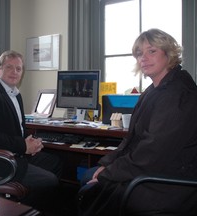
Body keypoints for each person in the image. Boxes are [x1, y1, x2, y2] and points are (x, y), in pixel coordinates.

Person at [78, 28, 197, 216]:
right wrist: (106, 163)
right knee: (90, 176)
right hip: (152, 169)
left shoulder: (178, 94)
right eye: (139, 53)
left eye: (152, 51)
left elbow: (152, 153)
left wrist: (108, 174)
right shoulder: (153, 90)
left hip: (167, 182)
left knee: (91, 188)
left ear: (169, 53)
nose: (143, 58)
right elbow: (131, 140)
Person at [0, 50, 62, 211]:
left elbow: (17, 129)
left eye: (18, 69)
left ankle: (29, 204)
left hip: (16, 152)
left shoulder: (15, 95)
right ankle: (27, 211)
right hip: (0, 159)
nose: (14, 72)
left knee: (57, 162)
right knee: (50, 180)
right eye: (9, 67)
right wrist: (23, 146)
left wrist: (31, 142)